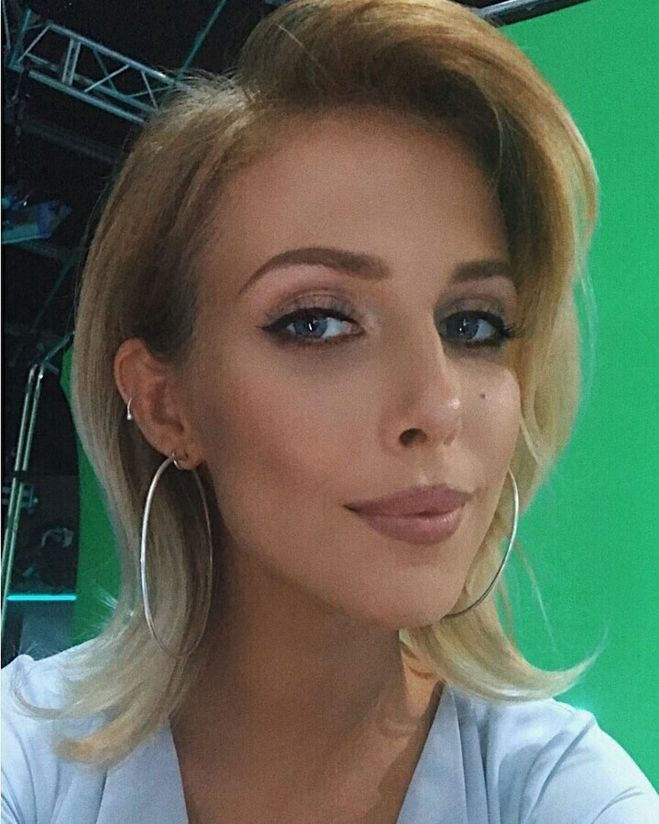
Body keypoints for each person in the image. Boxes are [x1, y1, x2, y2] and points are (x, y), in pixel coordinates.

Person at [2, 0, 658, 821]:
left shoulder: (557, 790)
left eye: (472, 325)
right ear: (167, 405)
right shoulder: (30, 756)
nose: (439, 404)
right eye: (317, 321)